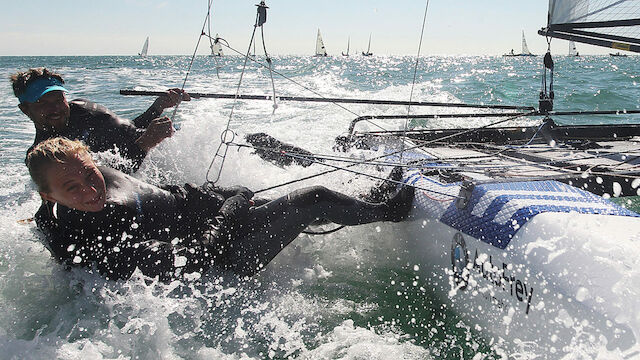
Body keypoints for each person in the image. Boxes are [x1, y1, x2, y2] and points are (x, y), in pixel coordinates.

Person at [27, 137, 414, 282]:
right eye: (72, 188)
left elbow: (169, 195)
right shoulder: (94, 234)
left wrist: (220, 195)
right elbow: (195, 258)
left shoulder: (98, 177)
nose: (89, 189)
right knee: (311, 199)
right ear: (49, 196)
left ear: (93, 162)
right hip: (221, 263)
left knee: (269, 202)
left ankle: (367, 198)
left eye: (89, 174)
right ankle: (391, 211)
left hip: (215, 226)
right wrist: (231, 206)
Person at [11, 67, 190, 173]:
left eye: (59, 99)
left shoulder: (84, 112)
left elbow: (129, 131)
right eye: (43, 103)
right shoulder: (39, 157)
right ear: (25, 109)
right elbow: (96, 185)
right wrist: (145, 143)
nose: (55, 108)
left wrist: (157, 107)